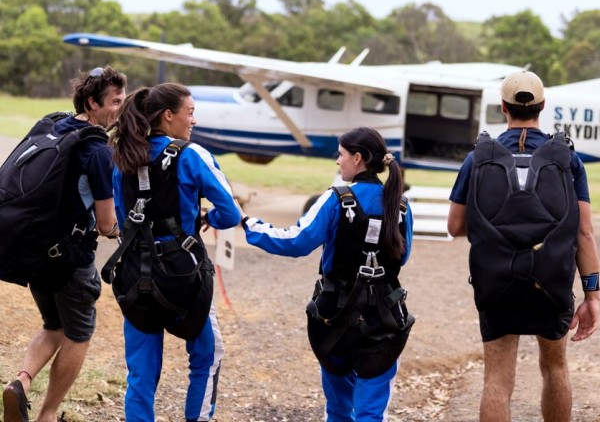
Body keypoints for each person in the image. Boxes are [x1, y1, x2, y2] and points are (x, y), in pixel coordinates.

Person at [447, 70, 600, 422]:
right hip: (551, 283)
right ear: (542, 107)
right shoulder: (568, 159)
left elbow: (455, 226)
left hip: (496, 284)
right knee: (556, 368)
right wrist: (592, 295)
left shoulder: (478, 157)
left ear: (503, 107)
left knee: (497, 378)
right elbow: (584, 232)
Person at [243, 127, 414, 422]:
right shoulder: (399, 205)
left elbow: (295, 241)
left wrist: (249, 224)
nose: (338, 161)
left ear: (357, 158)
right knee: (371, 414)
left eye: (341, 154)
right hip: (383, 321)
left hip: (334, 319)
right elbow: (403, 256)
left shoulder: (336, 198)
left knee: (337, 410)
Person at [109, 83, 242, 422]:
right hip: (183, 280)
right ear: (169, 116)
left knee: (140, 375)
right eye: (190, 113)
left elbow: (122, 221)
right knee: (207, 358)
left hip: (134, 277)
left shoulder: (122, 157)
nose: (193, 121)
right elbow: (231, 214)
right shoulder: (190, 155)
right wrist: (205, 218)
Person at [3, 66, 127, 422]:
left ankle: (22, 384)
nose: (120, 108)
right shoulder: (97, 150)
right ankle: (48, 414)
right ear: (93, 102)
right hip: (70, 260)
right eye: (115, 101)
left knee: (53, 325)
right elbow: (105, 224)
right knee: (79, 332)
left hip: (36, 252)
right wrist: (124, 230)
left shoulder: (53, 125)